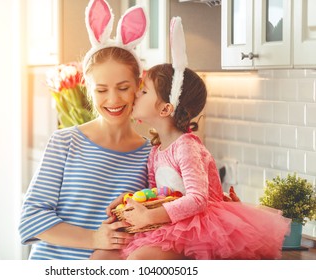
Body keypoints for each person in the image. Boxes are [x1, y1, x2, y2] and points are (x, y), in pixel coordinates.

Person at [119, 17, 291, 260]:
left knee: (138, 261)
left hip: (199, 231)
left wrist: (151, 217)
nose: (136, 94)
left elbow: (198, 200)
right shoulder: (156, 151)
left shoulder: (185, 146)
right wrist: (132, 204)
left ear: (166, 109)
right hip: (170, 228)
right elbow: (156, 194)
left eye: (144, 91)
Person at [19, 0, 150, 260]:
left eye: (123, 88)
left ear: (139, 84)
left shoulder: (150, 154)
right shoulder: (65, 142)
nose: (113, 99)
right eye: (101, 90)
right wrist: (93, 238)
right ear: (89, 90)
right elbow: (31, 218)